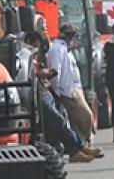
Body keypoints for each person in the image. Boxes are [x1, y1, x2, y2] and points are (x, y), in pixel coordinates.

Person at [25, 30, 93, 162]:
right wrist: (42, 74)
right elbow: (29, 74)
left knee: (60, 119)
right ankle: (77, 147)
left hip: (45, 89)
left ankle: (76, 148)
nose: (38, 48)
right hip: (36, 91)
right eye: (37, 44)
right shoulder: (24, 55)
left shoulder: (35, 56)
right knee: (57, 120)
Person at [47, 24, 104, 158]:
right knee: (86, 116)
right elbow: (55, 73)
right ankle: (83, 145)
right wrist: (58, 91)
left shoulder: (65, 50)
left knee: (75, 122)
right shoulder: (57, 50)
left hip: (74, 89)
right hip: (67, 91)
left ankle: (79, 149)